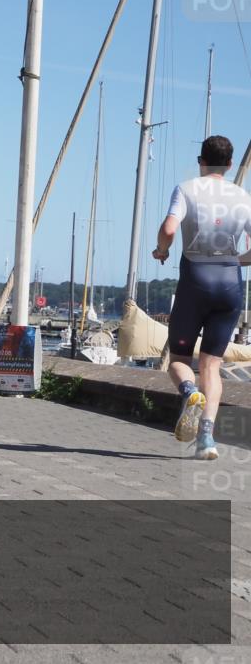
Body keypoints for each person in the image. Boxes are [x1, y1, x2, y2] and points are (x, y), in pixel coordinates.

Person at [153, 135, 251, 460]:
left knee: (180, 360)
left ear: (201, 160)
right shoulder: (242, 196)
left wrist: (161, 251)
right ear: (231, 163)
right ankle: (206, 438)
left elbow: (169, 228)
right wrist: (238, 260)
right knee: (212, 365)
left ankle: (188, 391)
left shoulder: (187, 189)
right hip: (230, 282)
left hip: (196, 279)